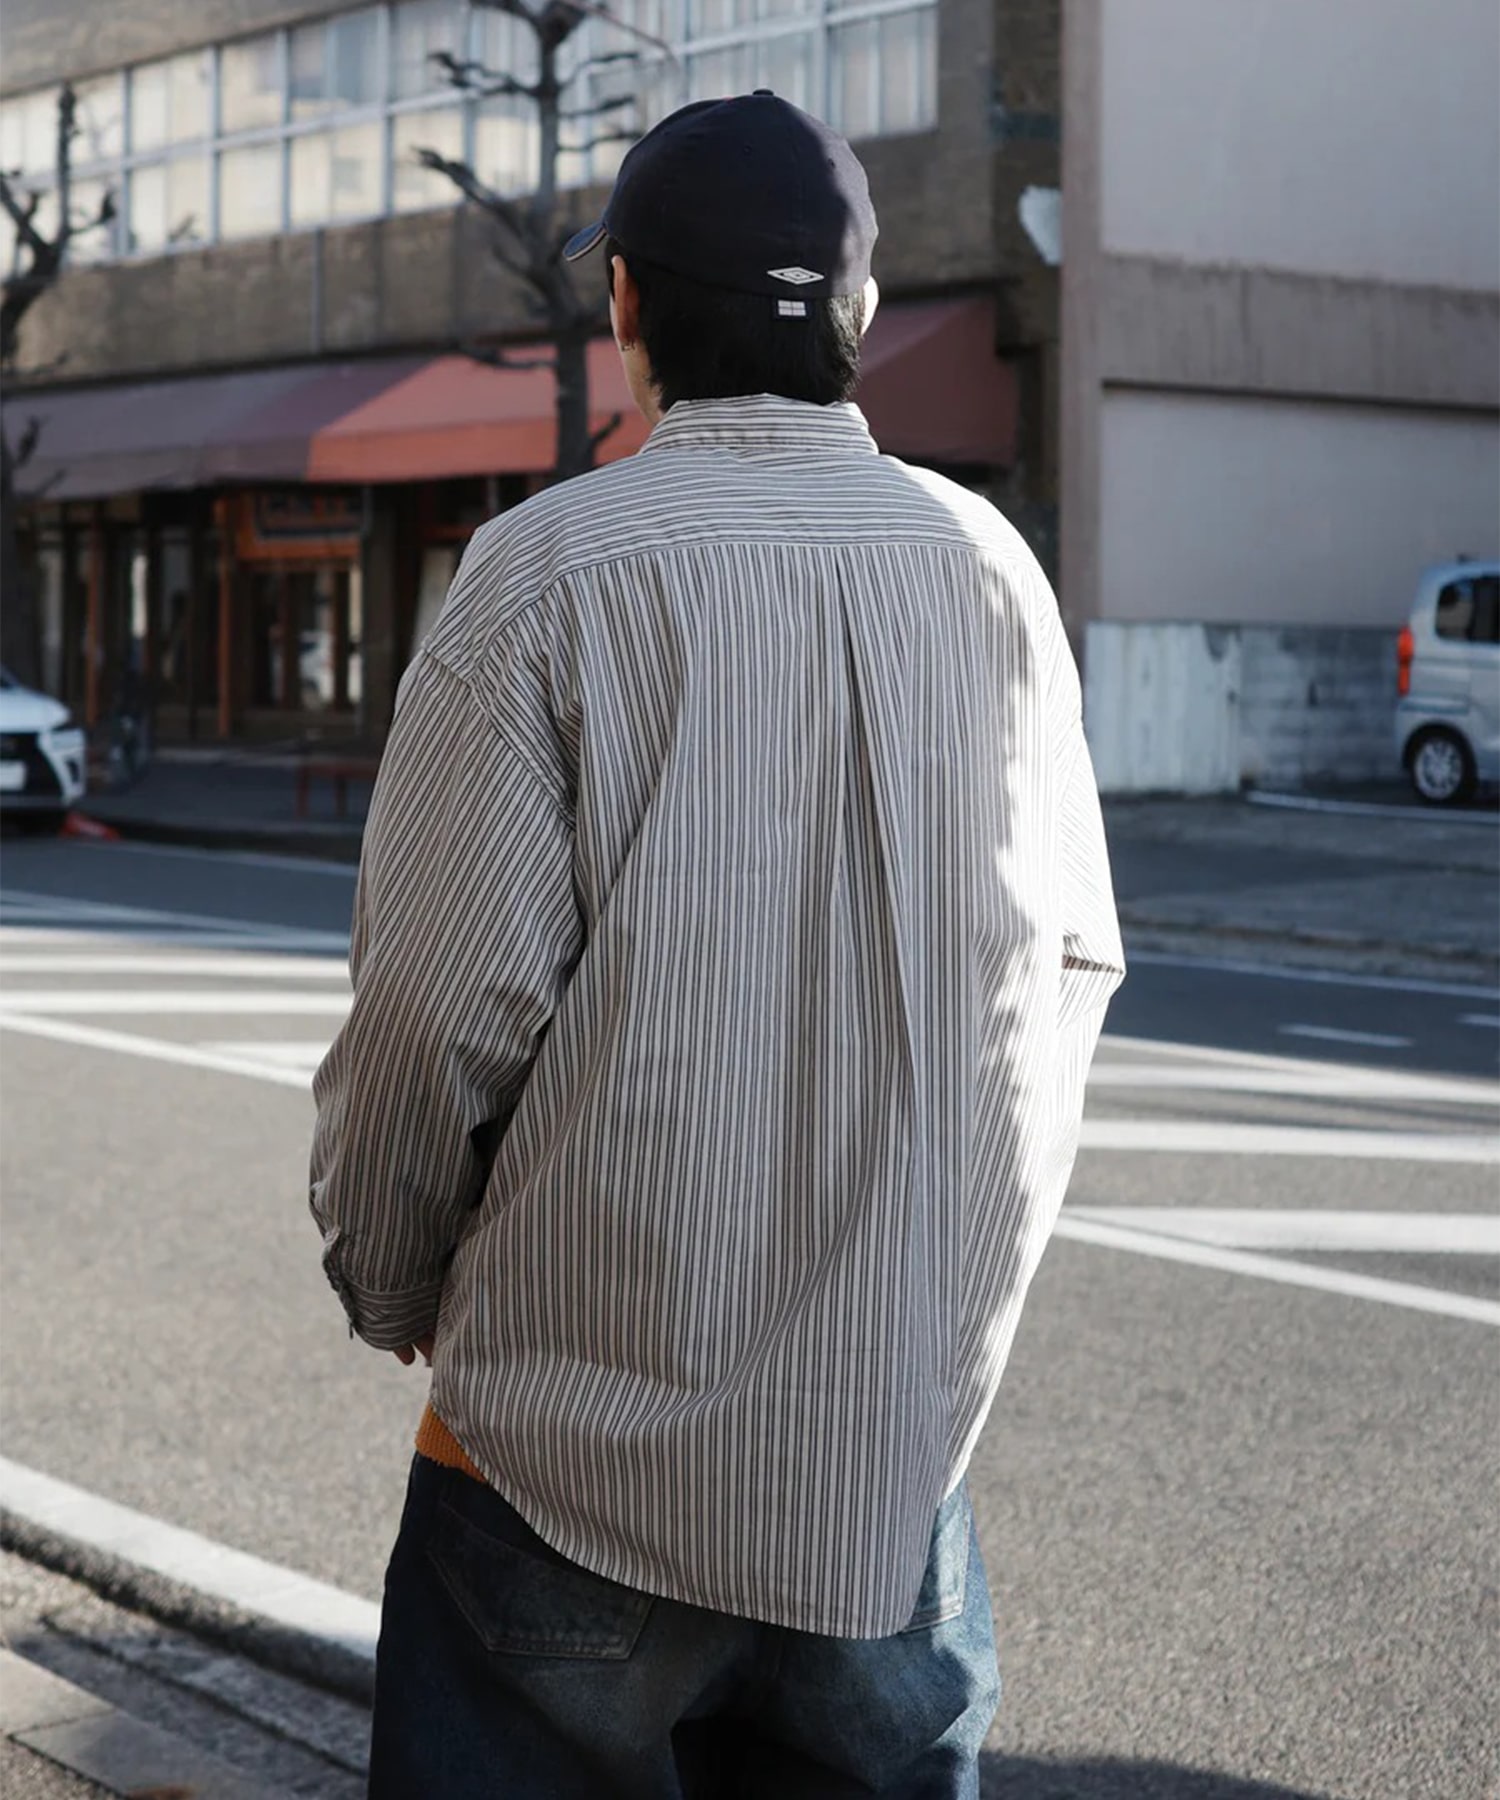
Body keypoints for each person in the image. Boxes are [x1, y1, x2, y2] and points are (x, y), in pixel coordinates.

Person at [310, 90, 1124, 1800]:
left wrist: (389, 1278)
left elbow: (436, 1014)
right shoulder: (992, 576)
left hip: (561, 1472)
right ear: (861, 314)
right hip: (883, 1479)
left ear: (621, 307)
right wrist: (939, 1344)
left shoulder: (545, 579)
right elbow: (1063, 986)